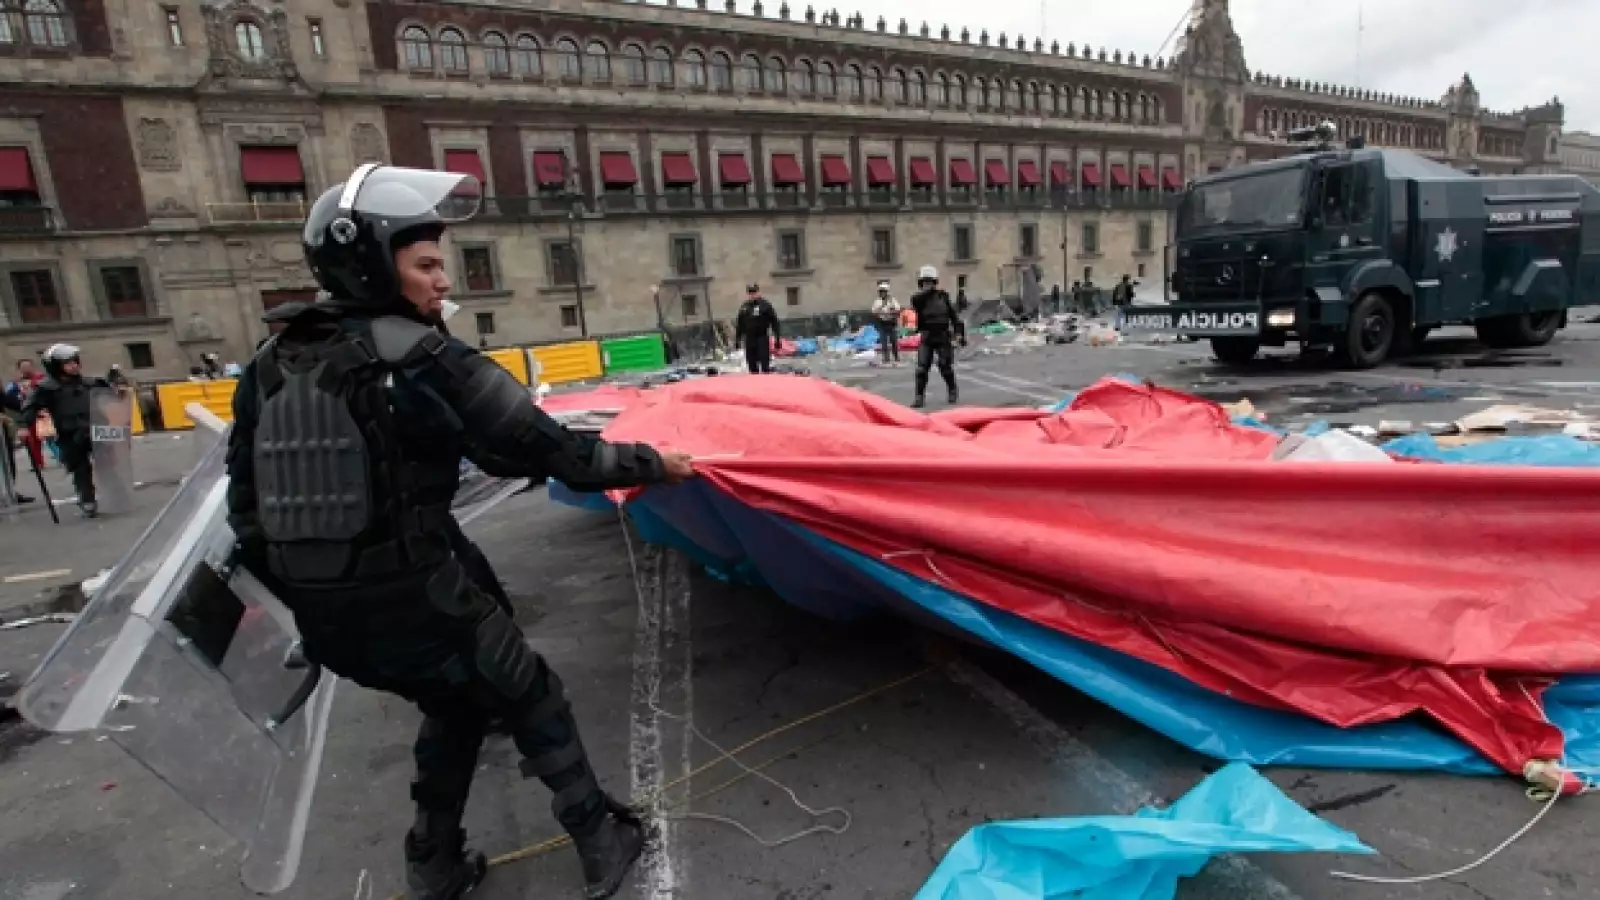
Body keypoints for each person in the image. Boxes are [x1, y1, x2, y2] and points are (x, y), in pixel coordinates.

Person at [223, 165, 696, 900]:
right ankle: (601, 841)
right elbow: (551, 451)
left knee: (456, 702)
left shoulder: (267, 367)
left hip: (327, 623)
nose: (443, 281)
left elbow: (246, 514)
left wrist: (318, 594)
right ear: (370, 264)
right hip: (418, 601)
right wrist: (655, 464)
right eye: (425, 265)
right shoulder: (420, 355)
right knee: (530, 693)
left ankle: (432, 863)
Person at [19, 345, 110, 518]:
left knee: (109, 462)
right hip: (70, 433)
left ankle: (117, 492)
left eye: (75, 362)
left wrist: (117, 389)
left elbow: (111, 397)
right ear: (55, 366)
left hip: (96, 428)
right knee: (80, 468)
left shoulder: (90, 383)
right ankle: (87, 499)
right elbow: (29, 407)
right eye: (68, 363)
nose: (73, 366)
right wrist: (24, 426)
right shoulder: (47, 388)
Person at [909, 265, 960, 409]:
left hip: (942, 336)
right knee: (921, 368)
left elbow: (954, 316)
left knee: (945, 366)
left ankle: (952, 389)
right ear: (921, 283)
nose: (927, 284)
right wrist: (928, 292)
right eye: (925, 282)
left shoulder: (943, 297)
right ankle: (919, 397)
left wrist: (958, 333)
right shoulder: (918, 299)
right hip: (927, 336)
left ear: (934, 282)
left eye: (930, 282)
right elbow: (917, 302)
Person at [734, 283, 780, 373]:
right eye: (750, 292)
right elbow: (740, 324)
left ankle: (765, 379)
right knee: (752, 364)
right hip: (749, 339)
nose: (752, 295)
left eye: (754, 292)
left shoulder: (765, 305)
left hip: (761, 337)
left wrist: (777, 339)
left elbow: (775, 322)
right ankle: (754, 380)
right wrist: (737, 340)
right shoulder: (744, 307)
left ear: (758, 292)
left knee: (764, 362)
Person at [870, 280, 901, 364]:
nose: (882, 293)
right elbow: (874, 311)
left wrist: (891, 312)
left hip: (891, 322)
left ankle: (896, 355)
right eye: (881, 292)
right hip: (882, 323)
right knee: (883, 341)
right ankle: (886, 357)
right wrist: (882, 307)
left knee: (894, 340)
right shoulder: (877, 301)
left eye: (884, 291)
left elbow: (897, 310)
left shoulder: (892, 300)